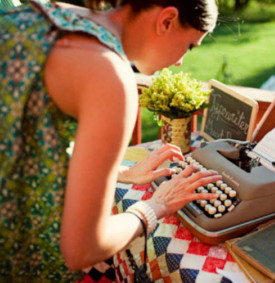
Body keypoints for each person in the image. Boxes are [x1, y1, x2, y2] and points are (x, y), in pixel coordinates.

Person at [0, 0, 220, 281]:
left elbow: (27, 141)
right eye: (189, 46)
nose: (180, 61)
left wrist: (121, 174)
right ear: (167, 20)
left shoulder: (44, 13)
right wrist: (157, 206)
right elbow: (83, 249)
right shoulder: (109, 75)